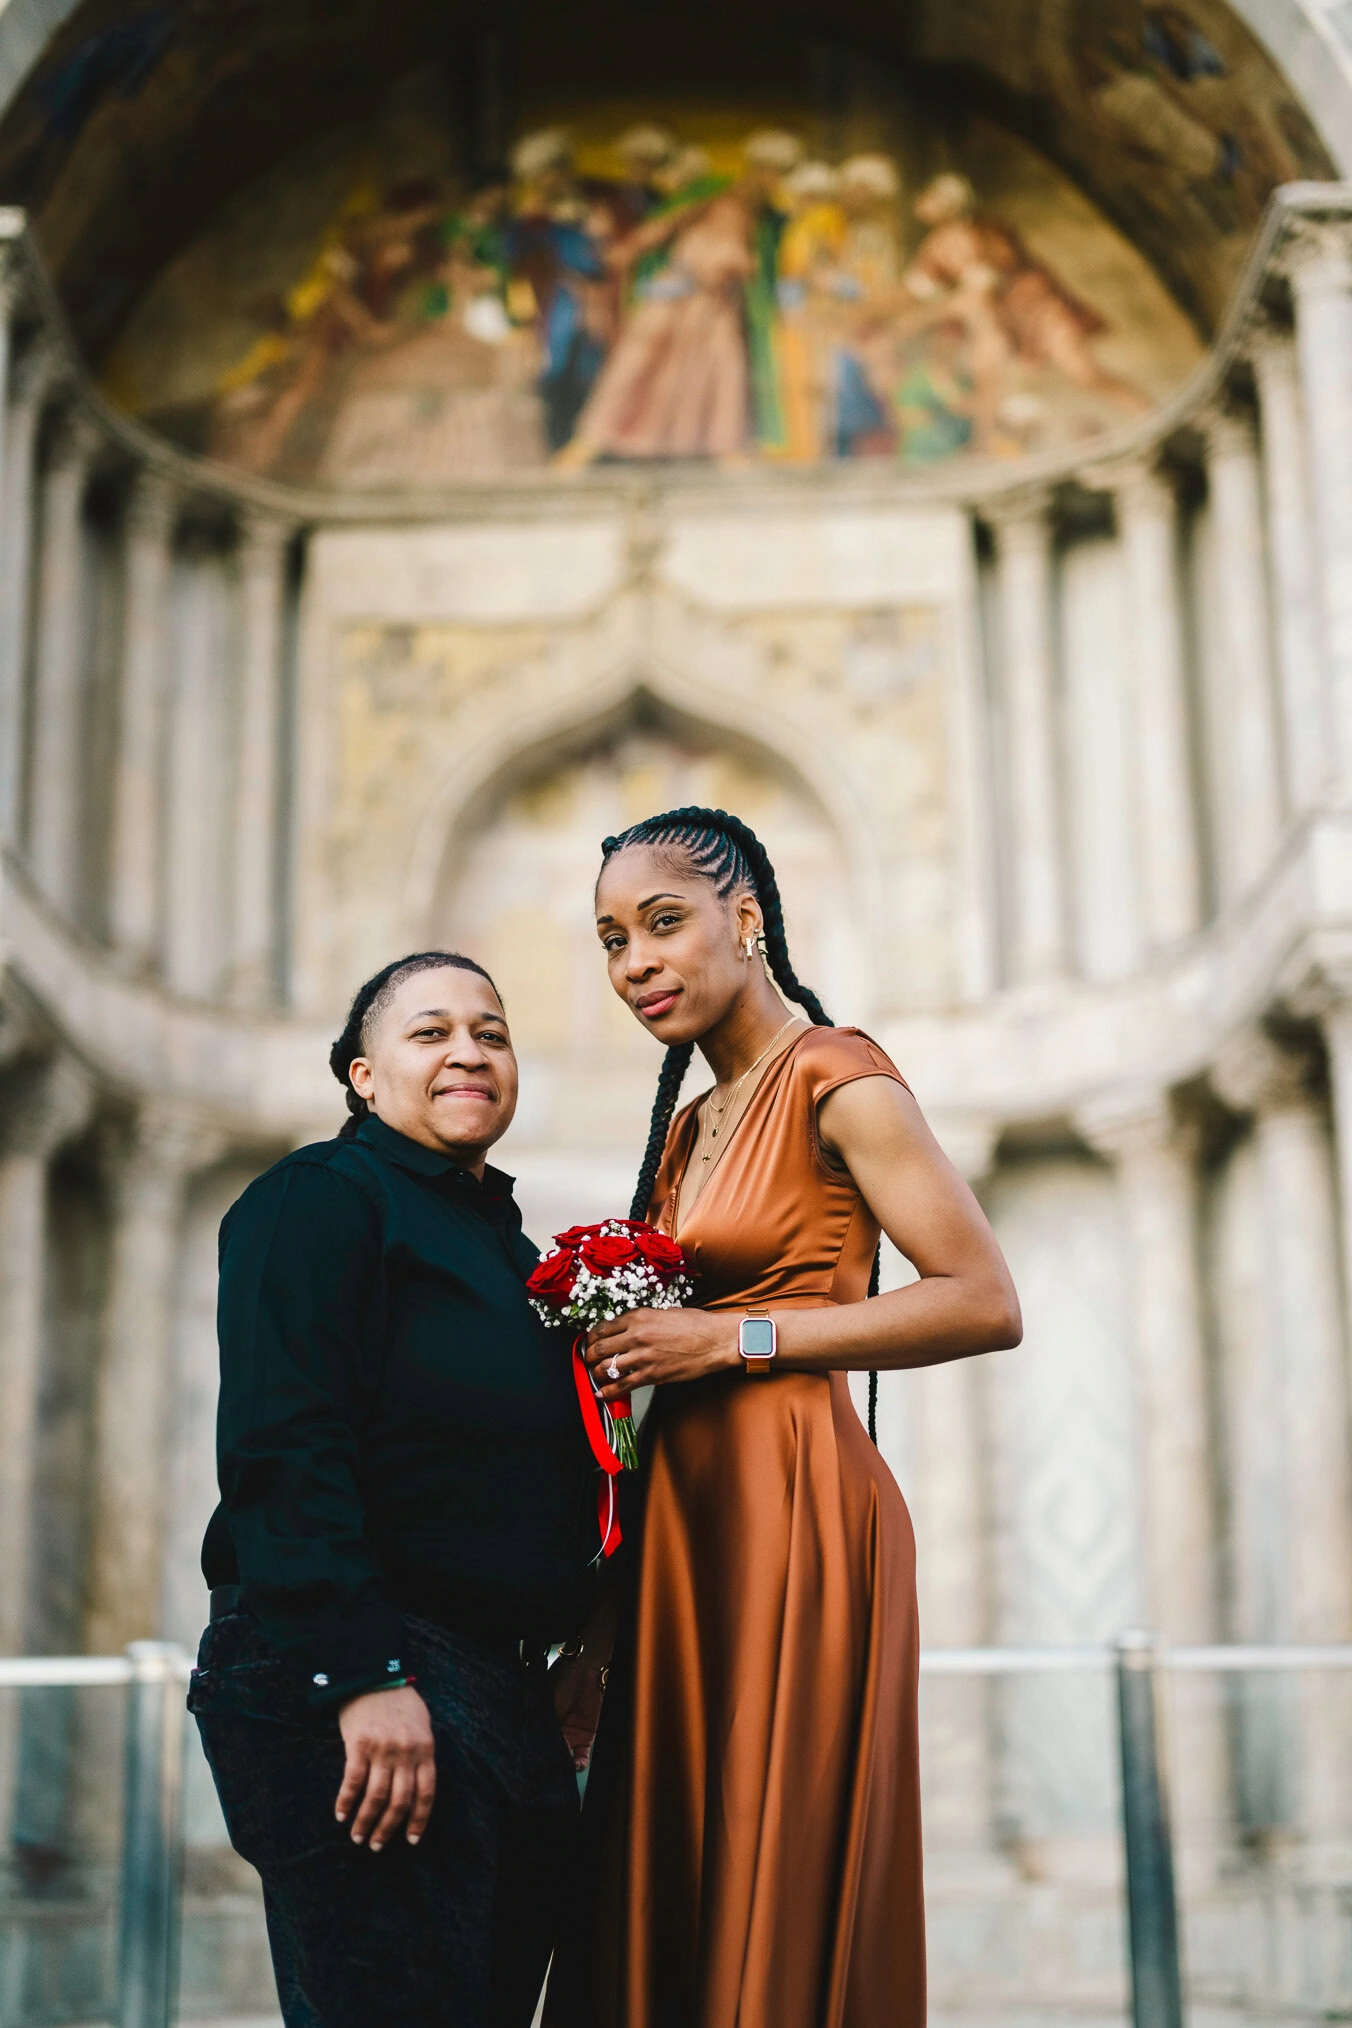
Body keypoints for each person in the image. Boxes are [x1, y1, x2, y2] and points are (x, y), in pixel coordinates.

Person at [544, 808, 1022, 2028]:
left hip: (797, 1506)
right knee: (671, 1869)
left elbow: (981, 1301)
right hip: (679, 1527)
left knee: (775, 1859)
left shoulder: (839, 1074)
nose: (635, 963)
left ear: (744, 916)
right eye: (611, 941)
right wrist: (600, 1620)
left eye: (662, 923)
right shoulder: (692, 1123)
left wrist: (731, 1336)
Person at [190, 950, 602, 2028]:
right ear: (362, 1077)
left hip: (495, 1691)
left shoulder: (504, 1249)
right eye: (428, 1032)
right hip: (366, 1674)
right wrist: (359, 1675)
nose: (467, 1050)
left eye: (491, 1032)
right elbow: (285, 1445)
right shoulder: (319, 1199)